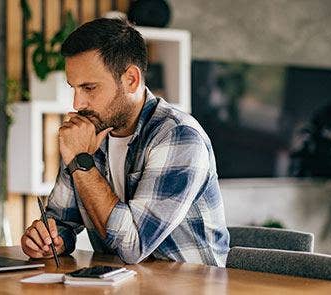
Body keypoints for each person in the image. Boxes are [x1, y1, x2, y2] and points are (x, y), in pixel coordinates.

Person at [20, 18, 229, 266]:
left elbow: (132, 246)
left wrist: (81, 162)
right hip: (122, 284)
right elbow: (62, 221)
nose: (77, 104)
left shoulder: (179, 137)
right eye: (73, 88)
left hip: (190, 286)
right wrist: (48, 240)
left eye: (89, 88)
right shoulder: (91, 132)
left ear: (131, 79)